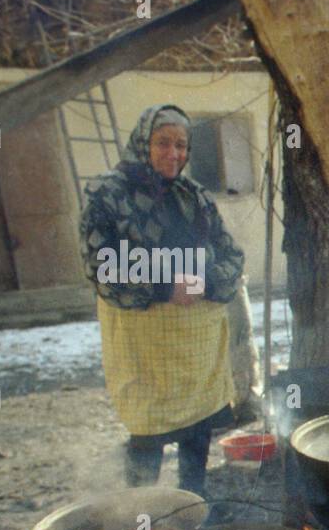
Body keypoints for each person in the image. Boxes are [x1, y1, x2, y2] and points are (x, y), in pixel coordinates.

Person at [79, 104, 245, 497]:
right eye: (163, 143)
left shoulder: (196, 197)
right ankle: (143, 518)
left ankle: (192, 506)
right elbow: (100, 264)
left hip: (195, 347)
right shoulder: (109, 193)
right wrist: (164, 289)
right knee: (148, 432)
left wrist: (204, 284)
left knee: (197, 430)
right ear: (143, 142)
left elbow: (232, 257)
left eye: (182, 145)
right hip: (144, 346)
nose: (174, 154)